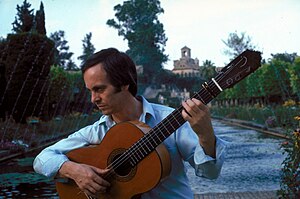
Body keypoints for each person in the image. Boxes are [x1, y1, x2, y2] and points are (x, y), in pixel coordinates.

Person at [33, 48, 226, 199]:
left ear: (124, 83)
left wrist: (206, 135)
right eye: (90, 91)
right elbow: (42, 158)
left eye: (99, 89)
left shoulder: (171, 120)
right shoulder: (96, 132)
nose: (93, 99)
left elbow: (209, 174)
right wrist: (73, 170)